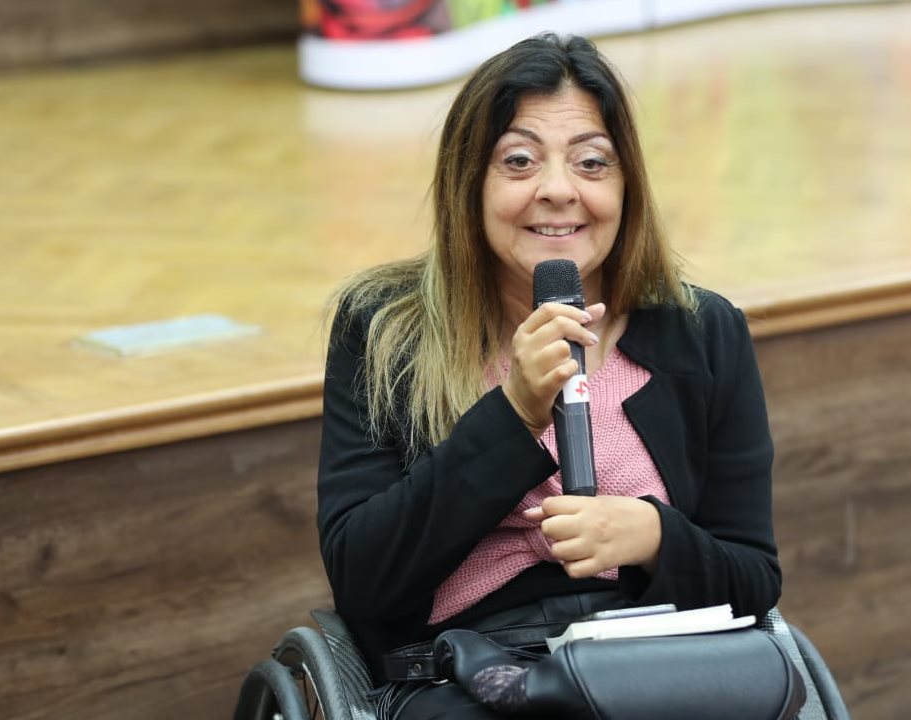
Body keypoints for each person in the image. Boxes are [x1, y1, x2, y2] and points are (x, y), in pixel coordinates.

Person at [317, 32, 782, 719]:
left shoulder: (702, 330)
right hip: (473, 677)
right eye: (519, 161)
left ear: (626, 186)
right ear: (469, 183)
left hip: (657, 666)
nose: (559, 190)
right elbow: (363, 578)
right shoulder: (386, 329)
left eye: (592, 163)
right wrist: (513, 411)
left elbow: (754, 579)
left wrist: (653, 537)